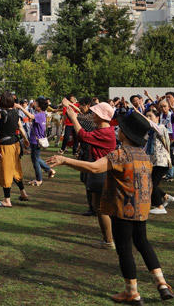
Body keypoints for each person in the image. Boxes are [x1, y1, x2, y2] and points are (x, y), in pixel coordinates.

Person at [48, 111, 174, 304]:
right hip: (141, 209)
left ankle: (132, 292)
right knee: (143, 243)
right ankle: (162, 284)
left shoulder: (121, 154)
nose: (117, 130)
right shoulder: (143, 155)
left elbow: (95, 168)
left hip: (123, 209)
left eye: (120, 129)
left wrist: (65, 160)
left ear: (125, 134)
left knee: (124, 249)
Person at [64, 99, 117, 249]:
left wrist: (73, 118)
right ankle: (109, 239)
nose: (93, 114)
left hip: (101, 172)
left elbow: (83, 136)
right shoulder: (104, 130)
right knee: (99, 206)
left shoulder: (105, 132)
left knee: (101, 208)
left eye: (96, 113)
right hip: (99, 171)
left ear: (101, 116)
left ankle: (109, 240)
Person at [145, 108, 174, 216]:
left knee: (151, 184)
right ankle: (165, 196)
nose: (148, 119)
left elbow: (157, 128)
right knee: (151, 183)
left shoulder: (161, 127)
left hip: (162, 162)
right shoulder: (150, 132)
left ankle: (159, 206)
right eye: (146, 116)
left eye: (150, 116)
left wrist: (142, 116)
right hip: (154, 162)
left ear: (157, 118)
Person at [22, 97, 55, 186]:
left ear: (39, 106)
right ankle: (49, 170)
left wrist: (21, 107)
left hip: (35, 141)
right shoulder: (42, 114)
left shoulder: (39, 115)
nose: (34, 104)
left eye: (36, 103)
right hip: (36, 140)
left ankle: (39, 179)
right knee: (35, 158)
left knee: (35, 160)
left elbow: (30, 116)